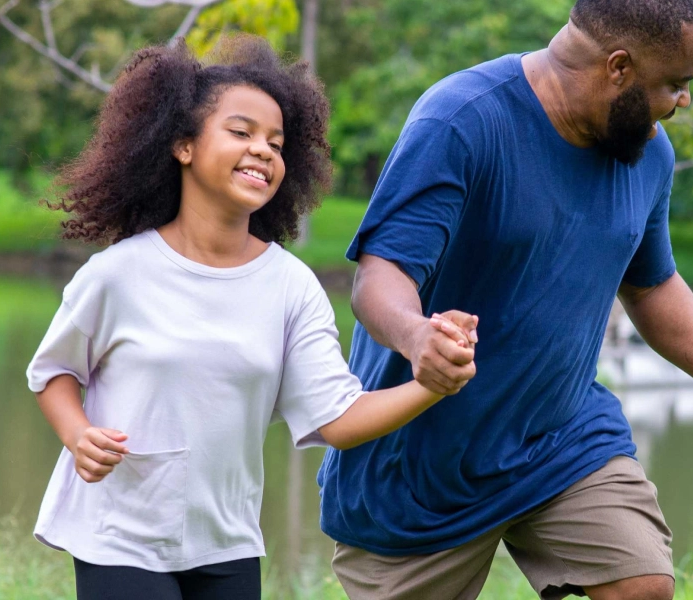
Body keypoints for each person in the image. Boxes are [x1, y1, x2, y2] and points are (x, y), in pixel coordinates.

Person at [316, 0, 693, 598]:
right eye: (674, 84)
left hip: (561, 437)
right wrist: (418, 337)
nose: (683, 101)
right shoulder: (462, 121)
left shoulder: (647, 154)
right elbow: (380, 276)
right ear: (618, 67)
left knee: (643, 585)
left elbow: (651, 285)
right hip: (419, 462)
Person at [25, 37, 465, 600]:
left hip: (228, 544)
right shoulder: (118, 274)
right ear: (183, 145)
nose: (263, 151)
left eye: (276, 144)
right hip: (120, 536)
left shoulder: (291, 286)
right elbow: (54, 371)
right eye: (242, 132)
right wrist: (77, 433)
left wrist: (429, 386)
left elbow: (336, 417)